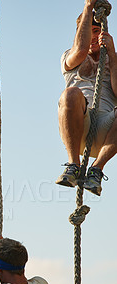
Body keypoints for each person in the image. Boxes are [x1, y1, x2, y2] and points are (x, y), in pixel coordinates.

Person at [56, 0, 117, 196]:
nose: (92, 36)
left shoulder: (113, 60)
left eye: (96, 31)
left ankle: (97, 169)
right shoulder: (69, 57)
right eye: (87, 31)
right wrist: (88, 6)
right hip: (77, 128)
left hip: (107, 133)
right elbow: (81, 50)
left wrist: (113, 59)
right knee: (71, 94)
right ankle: (73, 165)